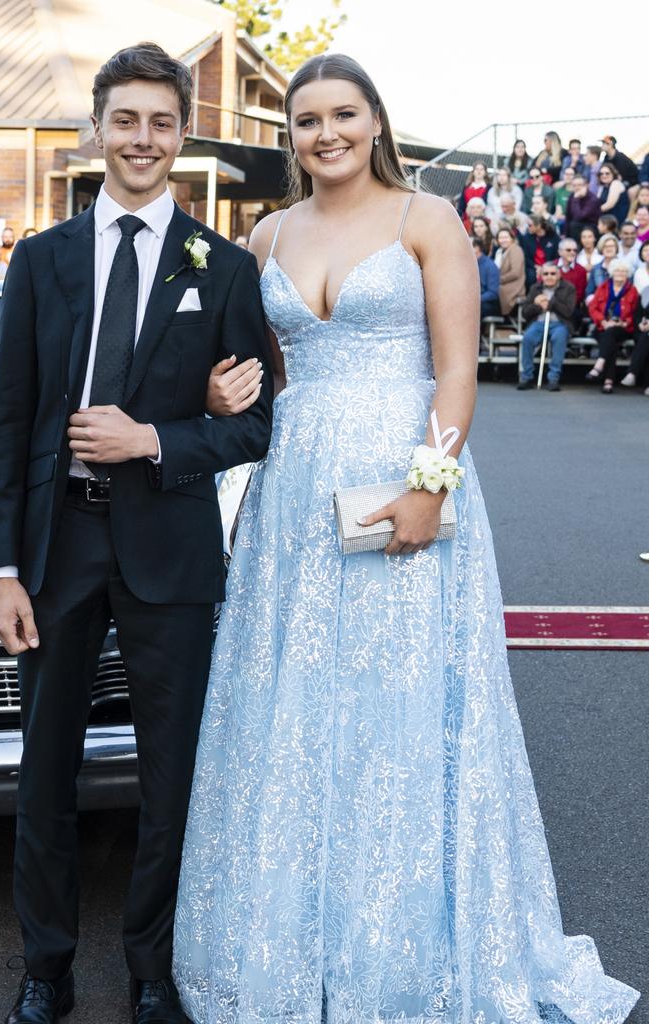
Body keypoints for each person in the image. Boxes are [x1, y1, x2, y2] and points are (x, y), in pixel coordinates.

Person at [173, 51, 639, 1024]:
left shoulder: (427, 220)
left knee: (403, 707)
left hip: (408, 487)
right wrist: (219, 393)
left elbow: (458, 375)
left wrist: (428, 487)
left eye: (344, 114)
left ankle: (404, 942)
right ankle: (293, 941)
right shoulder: (263, 235)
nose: (326, 133)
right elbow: (256, 377)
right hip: (294, 497)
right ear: (290, 135)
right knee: (294, 708)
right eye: (306, 120)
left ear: (375, 121)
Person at [0, 42, 274, 1024]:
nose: (142, 138)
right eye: (126, 119)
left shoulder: (221, 266)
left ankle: (154, 968)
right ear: (97, 128)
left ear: (181, 135)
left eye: (160, 121)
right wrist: (3, 568)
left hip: (172, 556)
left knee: (170, 779)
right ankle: (46, 966)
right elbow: (9, 420)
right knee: (45, 772)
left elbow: (256, 423)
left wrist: (156, 436)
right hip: (58, 547)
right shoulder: (39, 260)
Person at [517, 262, 577, 391]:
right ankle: (526, 376)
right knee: (527, 338)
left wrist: (549, 303)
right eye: (546, 274)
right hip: (538, 322)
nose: (549, 276)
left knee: (559, 337)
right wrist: (538, 306)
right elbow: (525, 312)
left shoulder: (569, 288)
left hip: (559, 324)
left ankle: (553, 378)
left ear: (559, 275)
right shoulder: (535, 288)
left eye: (553, 273)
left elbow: (568, 311)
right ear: (541, 276)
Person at [586, 260, 639, 392]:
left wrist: (624, 322)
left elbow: (635, 312)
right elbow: (593, 308)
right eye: (617, 270)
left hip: (623, 327)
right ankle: (608, 381)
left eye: (623, 271)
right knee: (610, 341)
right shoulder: (603, 287)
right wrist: (603, 321)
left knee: (611, 334)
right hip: (602, 326)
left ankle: (599, 365)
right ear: (612, 272)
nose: (620, 273)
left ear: (628, 274)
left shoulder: (632, 290)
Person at [619, 243, 649, 390]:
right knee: (645, 337)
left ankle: (632, 373)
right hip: (643, 325)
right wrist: (639, 324)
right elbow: (638, 310)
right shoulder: (644, 287)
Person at [519, 215, 560, 287]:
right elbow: (525, 256)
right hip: (533, 267)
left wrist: (546, 267)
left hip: (550, 265)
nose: (528, 228)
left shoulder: (553, 236)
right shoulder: (526, 237)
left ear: (539, 226)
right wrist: (536, 267)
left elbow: (557, 255)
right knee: (530, 276)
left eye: (530, 225)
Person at [494, 224, 526, 316]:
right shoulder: (499, 252)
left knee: (491, 293)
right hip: (502, 284)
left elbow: (515, 273)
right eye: (501, 238)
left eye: (506, 237)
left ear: (512, 238)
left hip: (512, 287)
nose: (503, 240)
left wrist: (497, 280)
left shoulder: (516, 250)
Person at [564, 173, 602, 241]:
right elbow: (568, 216)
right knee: (571, 224)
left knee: (574, 225)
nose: (576, 187)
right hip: (576, 226)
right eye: (574, 185)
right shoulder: (572, 196)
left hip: (591, 226)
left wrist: (576, 200)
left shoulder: (592, 199)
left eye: (579, 185)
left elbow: (580, 216)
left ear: (586, 185)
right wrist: (566, 236)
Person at [586, 233, 620, 302]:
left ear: (616, 248)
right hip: (600, 305)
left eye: (611, 246)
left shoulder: (624, 267)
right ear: (601, 248)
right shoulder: (595, 269)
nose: (609, 248)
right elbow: (589, 292)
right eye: (605, 246)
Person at [473, 236, 500, 316]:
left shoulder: (490, 266)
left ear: (477, 248)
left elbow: (493, 293)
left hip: (488, 303)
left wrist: (475, 299)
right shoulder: (466, 265)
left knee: (472, 309)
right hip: (472, 300)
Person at [457, 161, 490, 225]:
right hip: (467, 218)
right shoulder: (467, 186)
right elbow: (462, 204)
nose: (479, 171)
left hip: (482, 219)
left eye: (481, 169)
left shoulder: (489, 187)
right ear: (473, 172)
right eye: (477, 169)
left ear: (485, 172)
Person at [556, 237, 587, 304]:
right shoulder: (550, 266)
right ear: (560, 252)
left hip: (571, 307)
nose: (572, 252)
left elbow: (579, 294)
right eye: (568, 250)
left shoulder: (581, 270)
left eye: (575, 250)